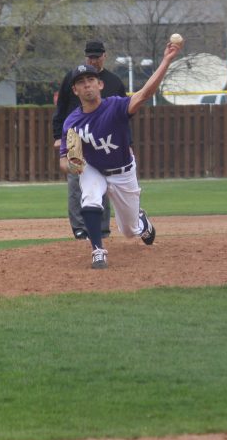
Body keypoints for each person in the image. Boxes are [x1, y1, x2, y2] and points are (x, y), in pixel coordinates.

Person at [59, 40, 180, 269]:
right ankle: (98, 251)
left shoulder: (115, 106)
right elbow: (63, 161)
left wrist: (166, 60)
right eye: (81, 82)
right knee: (90, 197)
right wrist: (72, 166)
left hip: (123, 171)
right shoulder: (72, 122)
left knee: (129, 231)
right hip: (93, 167)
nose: (87, 85)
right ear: (75, 90)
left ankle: (141, 222)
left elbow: (144, 94)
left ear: (100, 84)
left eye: (91, 80)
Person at [52, 40, 128, 240]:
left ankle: (102, 228)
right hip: (76, 135)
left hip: (103, 138)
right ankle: (79, 227)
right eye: (90, 57)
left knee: (103, 183)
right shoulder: (73, 77)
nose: (93, 60)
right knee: (76, 182)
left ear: (104, 56)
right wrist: (57, 136)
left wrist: (128, 143)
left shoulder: (114, 82)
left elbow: (124, 118)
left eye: (97, 56)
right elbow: (61, 107)